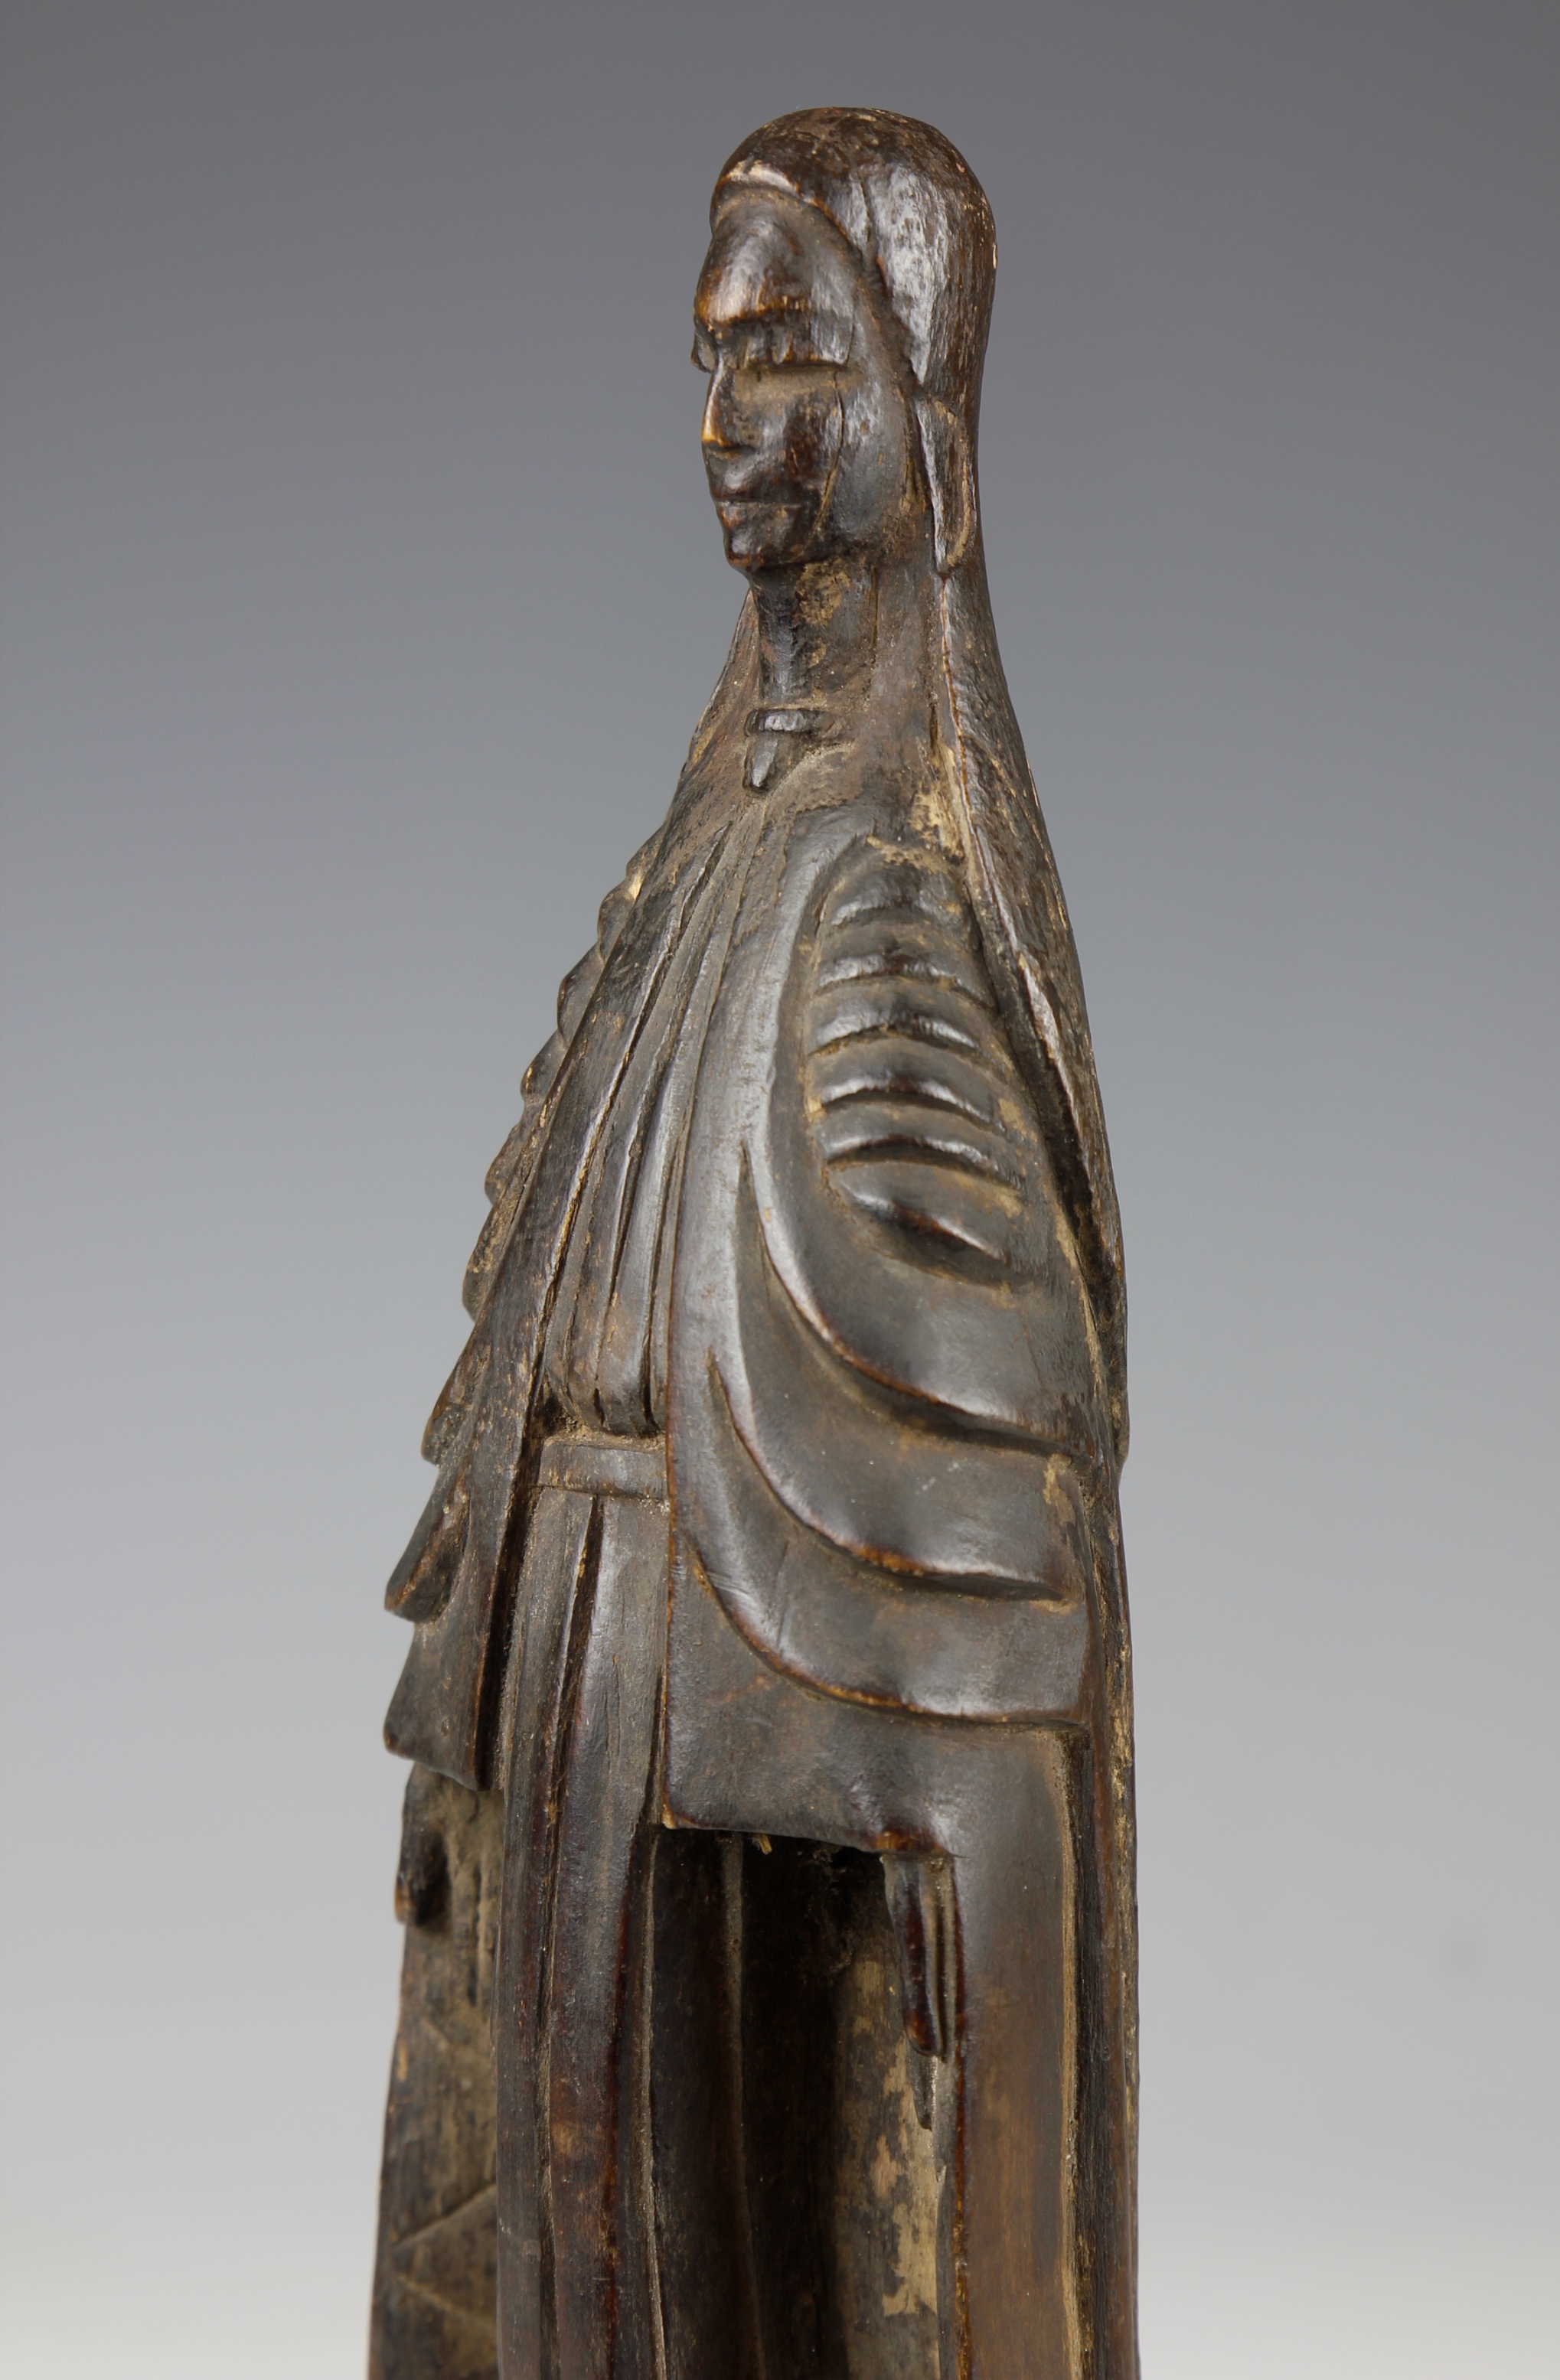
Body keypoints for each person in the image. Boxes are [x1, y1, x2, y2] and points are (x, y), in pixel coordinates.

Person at [371, 109, 1138, 2380]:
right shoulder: (705, 845)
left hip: (735, 1685)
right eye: (711, 359)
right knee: (588, 2260)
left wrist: (942, 1805)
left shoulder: (887, 887)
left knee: (749, 2243)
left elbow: (985, 1501)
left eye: (794, 356)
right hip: (589, 1669)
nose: (729, 420)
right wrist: (473, 1695)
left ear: (926, 409)